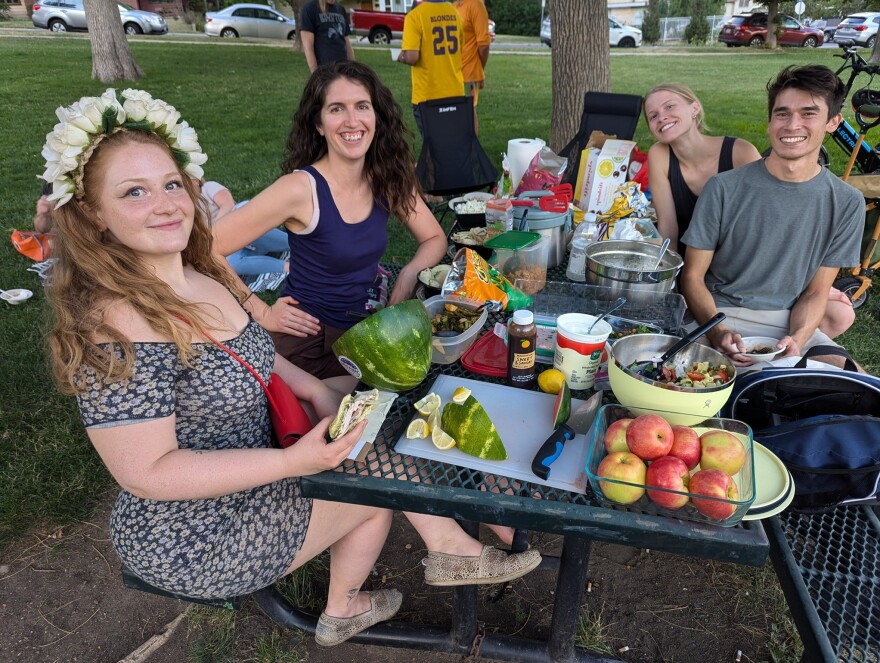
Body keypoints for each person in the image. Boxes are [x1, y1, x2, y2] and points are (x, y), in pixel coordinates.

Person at [213, 61, 448, 379]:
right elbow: (207, 247)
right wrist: (262, 311)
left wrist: (407, 275)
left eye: (362, 106)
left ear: (376, 115)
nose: (353, 121)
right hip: (308, 343)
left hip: (364, 332)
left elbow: (434, 238)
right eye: (337, 109)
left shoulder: (385, 176)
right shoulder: (300, 189)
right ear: (319, 124)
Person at [680, 65, 864, 369]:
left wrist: (799, 339)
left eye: (808, 113)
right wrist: (718, 332)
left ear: (833, 122)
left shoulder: (847, 203)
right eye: (782, 113)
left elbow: (817, 292)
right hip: (719, 314)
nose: (792, 125)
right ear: (769, 122)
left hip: (789, 320)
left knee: (862, 391)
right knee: (694, 392)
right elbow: (692, 277)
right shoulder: (724, 188)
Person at [644, 82, 856, 340]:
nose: (662, 116)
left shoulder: (738, 151)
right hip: (708, 270)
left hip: (745, 256)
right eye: (653, 115)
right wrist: (672, 285)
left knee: (840, 313)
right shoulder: (661, 155)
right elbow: (669, 229)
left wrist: (810, 284)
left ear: (695, 108)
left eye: (669, 106)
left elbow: (774, 208)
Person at [397, 0, 463, 137]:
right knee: (451, 141)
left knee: (432, 145)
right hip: (455, 90)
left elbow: (412, 57)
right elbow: (461, 47)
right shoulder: (454, 12)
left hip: (428, 93)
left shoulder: (415, 16)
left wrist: (401, 57)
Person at [200, 180, 289, 276]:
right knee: (233, 264)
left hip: (240, 226)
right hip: (227, 244)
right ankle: (287, 267)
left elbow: (228, 204)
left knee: (291, 243)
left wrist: (216, 232)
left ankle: (297, 244)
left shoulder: (207, 187)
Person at [454, 0, 491, 134]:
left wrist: (480, 68)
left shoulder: (476, 5)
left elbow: (484, 44)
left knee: (468, 111)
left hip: (470, 71)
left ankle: (472, 150)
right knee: (454, 112)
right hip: (453, 71)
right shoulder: (455, 6)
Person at [300, 0, 355, 73]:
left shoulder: (340, 9)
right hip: (324, 70)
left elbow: (347, 42)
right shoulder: (310, 8)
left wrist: (353, 68)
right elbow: (308, 46)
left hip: (343, 68)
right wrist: (315, 73)